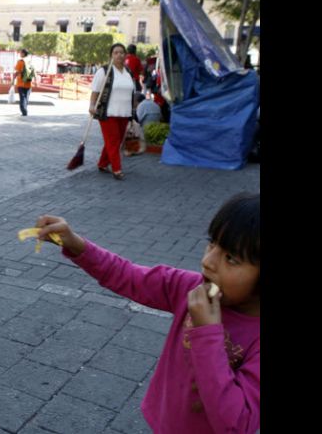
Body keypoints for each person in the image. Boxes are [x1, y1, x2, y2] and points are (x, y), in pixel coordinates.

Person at [33, 192, 260, 434]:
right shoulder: (188, 287)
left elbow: (238, 424)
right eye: (212, 243)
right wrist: (76, 244)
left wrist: (207, 333)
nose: (208, 261)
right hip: (165, 422)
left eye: (231, 258)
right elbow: (127, 275)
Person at [89, 43, 137, 180]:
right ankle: (117, 169)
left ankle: (103, 163)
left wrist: (133, 111)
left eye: (121, 52)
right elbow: (95, 91)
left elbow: (132, 92)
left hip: (124, 113)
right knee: (113, 141)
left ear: (125, 55)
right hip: (108, 113)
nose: (119, 55)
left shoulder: (128, 72)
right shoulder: (104, 71)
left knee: (114, 141)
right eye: (116, 52)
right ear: (111, 55)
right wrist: (92, 105)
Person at [14, 48, 35, 116]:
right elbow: (33, 72)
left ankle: (24, 110)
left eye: (20, 53)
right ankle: (25, 109)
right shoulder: (30, 61)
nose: (20, 54)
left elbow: (17, 71)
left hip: (21, 82)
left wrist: (13, 79)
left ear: (23, 54)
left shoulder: (20, 62)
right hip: (29, 83)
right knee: (26, 97)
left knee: (22, 97)